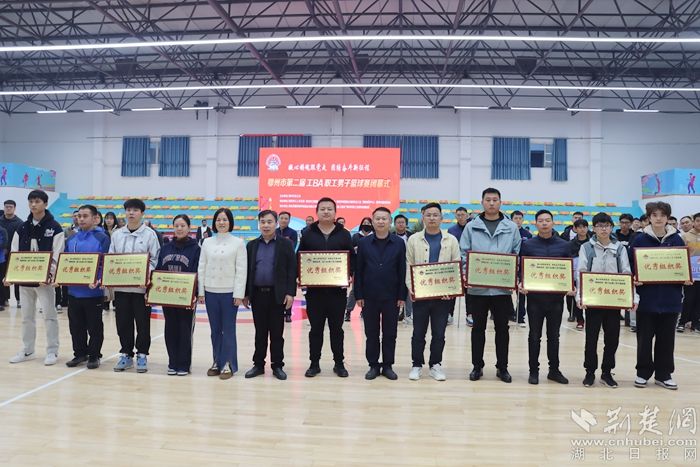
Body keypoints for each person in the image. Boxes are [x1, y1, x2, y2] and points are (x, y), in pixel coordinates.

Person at [461, 188, 521, 383]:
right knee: (477, 328)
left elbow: (516, 253)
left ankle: (502, 367)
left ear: (500, 202)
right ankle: (477, 366)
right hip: (477, 288)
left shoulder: (511, 227)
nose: (492, 203)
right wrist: (467, 274)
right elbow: (464, 253)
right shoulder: (471, 226)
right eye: (488, 200)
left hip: (501, 288)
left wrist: (512, 275)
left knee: (502, 329)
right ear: (482, 203)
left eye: (495, 200)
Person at [630, 201, 691, 390]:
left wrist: (685, 277)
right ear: (649, 217)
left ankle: (664, 374)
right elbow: (631, 266)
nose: (658, 218)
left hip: (670, 298)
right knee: (644, 339)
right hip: (646, 298)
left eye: (662, 215)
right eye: (654, 215)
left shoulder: (677, 239)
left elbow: (682, 265)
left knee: (666, 339)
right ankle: (642, 373)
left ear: (667, 218)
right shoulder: (639, 240)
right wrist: (634, 278)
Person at [577, 212, 637, 388]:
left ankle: (607, 372)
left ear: (611, 227)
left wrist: (631, 297)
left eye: (607, 225)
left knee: (612, 339)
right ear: (594, 228)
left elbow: (626, 272)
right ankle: (589, 372)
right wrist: (580, 296)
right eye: (599, 226)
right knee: (591, 339)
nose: (603, 229)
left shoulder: (619, 248)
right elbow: (581, 272)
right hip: (593, 300)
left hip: (613, 301)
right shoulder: (586, 247)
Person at [6, 190, 64, 366]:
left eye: (37, 201)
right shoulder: (22, 227)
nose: (33, 204)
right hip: (25, 280)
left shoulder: (55, 227)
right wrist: (11, 274)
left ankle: (52, 351)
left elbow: (57, 253)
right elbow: (14, 252)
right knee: (26, 317)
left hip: (44, 282)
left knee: (49, 316)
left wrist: (49, 275)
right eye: (30, 201)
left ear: (45, 204)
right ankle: (28, 349)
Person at [298, 197, 354, 378]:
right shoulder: (308, 233)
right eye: (322, 209)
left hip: (337, 292)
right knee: (316, 329)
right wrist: (301, 276)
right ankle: (314, 364)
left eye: (330, 209)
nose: (326, 212)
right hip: (315, 293)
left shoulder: (344, 234)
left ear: (335, 212)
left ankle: (339, 363)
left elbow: (351, 259)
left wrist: (349, 274)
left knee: (337, 329)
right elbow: (300, 257)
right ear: (317, 212)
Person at [406, 203, 460, 381]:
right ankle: (416, 365)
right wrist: (412, 289)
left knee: (439, 333)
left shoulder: (451, 240)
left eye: (435, 215)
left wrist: (451, 289)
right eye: (428, 215)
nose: (432, 218)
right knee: (418, 333)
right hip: (420, 295)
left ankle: (435, 365)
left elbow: (455, 264)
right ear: (423, 217)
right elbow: (408, 264)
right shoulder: (414, 239)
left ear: (441, 218)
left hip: (442, 297)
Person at [519, 209, 573, 385]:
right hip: (534, 299)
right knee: (534, 336)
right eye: (541, 220)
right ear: (536, 223)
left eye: (547, 220)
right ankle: (533, 371)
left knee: (554, 337)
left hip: (556, 300)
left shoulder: (564, 245)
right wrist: (521, 283)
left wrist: (570, 286)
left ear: (553, 223)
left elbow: (569, 271)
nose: (544, 223)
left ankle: (554, 371)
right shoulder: (528, 245)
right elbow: (521, 269)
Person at [108, 198, 160, 373]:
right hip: (121, 288)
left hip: (141, 289)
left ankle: (142, 354)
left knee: (143, 324)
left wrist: (144, 275)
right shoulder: (117, 234)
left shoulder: (150, 235)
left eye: (135, 210)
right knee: (123, 323)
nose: (131, 213)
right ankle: (126, 354)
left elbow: (154, 260)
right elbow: (111, 258)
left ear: (142, 213)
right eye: (128, 210)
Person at [243, 210, 296, 381]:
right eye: (263, 222)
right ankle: (258, 365)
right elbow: (247, 271)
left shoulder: (285, 244)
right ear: (259, 224)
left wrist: (290, 293)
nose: (266, 225)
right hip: (257, 295)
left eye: (269, 222)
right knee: (260, 332)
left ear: (276, 223)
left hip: (277, 295)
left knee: (276, 333)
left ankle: (277, 365)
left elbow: (291, 270)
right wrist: (246, 293)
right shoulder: (251, 245)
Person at [355, 207, 407, 381]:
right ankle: (373, 365)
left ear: (390, 221)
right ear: (372, 221)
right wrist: (358, 294)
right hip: (369, 295)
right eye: (377, 218)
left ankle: (388, 365)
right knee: (371, 333)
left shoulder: (398, 243)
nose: (381, 221)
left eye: (384, 218)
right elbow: (359, 270)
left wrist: (401, 296)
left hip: (391, 296)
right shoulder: (364, 243)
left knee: (390, 333)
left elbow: (402, 270)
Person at [198, 208, 247, 380]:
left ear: (230, 222)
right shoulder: (207, 242)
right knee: (215, 330)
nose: (221, 222)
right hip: (210, 291)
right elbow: (202, 267)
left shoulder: (238, 243)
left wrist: (239, 294)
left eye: (225, 219)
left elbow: (241, 270)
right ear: (214, 222)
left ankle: (229, 363)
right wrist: (201, 291)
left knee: (228, 330)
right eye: (218, 219)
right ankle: (216, 362)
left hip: (229, 293)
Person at [64, 205, 111, 369]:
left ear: (95, 218)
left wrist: (98, 279)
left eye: (85, 216)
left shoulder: (102, 238)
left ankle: (94, 355)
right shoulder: (71, 239)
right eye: (79, 216)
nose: (81, 219)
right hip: (73, 291)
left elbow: (105, 262)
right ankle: (80, 354)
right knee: (76, 326)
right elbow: (65, 263)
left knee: (94, 326)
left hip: (93, 292)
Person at [157, 214, 200, 376]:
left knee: (185, 329)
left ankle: (183, 364)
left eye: (183, 226)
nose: (179, 228)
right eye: (177, 226)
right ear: (173, 228)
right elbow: (159, 270)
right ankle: (172, 362)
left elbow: (198, 272)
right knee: (170, 328)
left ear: (189, 228)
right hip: (168, 296)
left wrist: (195, 293)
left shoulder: (196, 249)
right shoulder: (165, 248)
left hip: (186, 297)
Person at [345, 217, 373, 321]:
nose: (366, 225)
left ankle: (365, 311)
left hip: (371, 267)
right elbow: (350, 251)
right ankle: (348, 311)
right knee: (354, 290)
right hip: (357, 266)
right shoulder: (356, 236)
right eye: (364, 223)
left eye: (368, 223)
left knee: (369, 289)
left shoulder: (374, 236)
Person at [446, 207, 469, 326]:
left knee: (469, 290)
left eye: (463, 215)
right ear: (455, 216)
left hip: (469, 264)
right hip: (455, 263)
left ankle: (470, 314)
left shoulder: (471, 229)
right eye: (458, 215)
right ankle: (449, 314)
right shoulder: (451, 230)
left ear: (467, 215)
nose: (461, 217)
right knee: (453, 289)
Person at [1, 200, 25, 309]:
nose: (8, 208)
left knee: (16, 277)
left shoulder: (20, 223)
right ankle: (4, 299)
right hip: (2, 254)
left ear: (14, 208)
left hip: (15, 254)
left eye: (10, 207)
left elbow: (22, 239)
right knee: (2, 276)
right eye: (6, 207)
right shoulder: (0, 221)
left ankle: (19, 299)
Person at [679, 212, 700, 333]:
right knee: (689, 298)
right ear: (693, 222)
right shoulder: (685, 237)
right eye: (698, 221)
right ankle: (682, 322)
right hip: (690, 274)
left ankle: (695, 324)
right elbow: (680, 255)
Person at [276, 211, 298, 323]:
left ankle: (288, 313)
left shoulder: (293, 233)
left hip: (288, 263)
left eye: (286, 218)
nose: (284, 220)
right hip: (275, 264)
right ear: (278, 219)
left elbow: (292, 247)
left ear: (289, 220)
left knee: (288, 289)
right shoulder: (274, 231)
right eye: (282, 218)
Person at [567, 219, 590, 329]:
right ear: (575, 229)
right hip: (575, 274)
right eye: (580, 227)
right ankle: (580, 319)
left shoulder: (592, 243)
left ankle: (591, 319)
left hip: (589, 275)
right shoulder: (570, 244)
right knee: (576, 296)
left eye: (584, 227)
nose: (582, 229)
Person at [511, 210, 532, 327]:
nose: (518, 220)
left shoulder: (527, 234)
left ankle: (520, 317)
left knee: (522, 292)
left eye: (520, 218)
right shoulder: (507, 232)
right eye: (516, 218)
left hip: (523, 266)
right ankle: (503, 313)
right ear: (511, 220)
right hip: (509, 265)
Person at [393, 214, 414, 324]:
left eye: (402, 222)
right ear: (394, 224)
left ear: (406, 224)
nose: (400, 224)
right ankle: (395, 312)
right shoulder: (390, 236)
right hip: (395, 267)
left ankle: (408, 314)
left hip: (409, 266)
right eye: (398, 222)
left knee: (409, 290)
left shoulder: (412, 237)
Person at [0, 223, 7, 311]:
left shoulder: (3, 230)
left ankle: (1, 302)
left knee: (1, 282)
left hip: (0, 260)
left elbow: (4, 244)